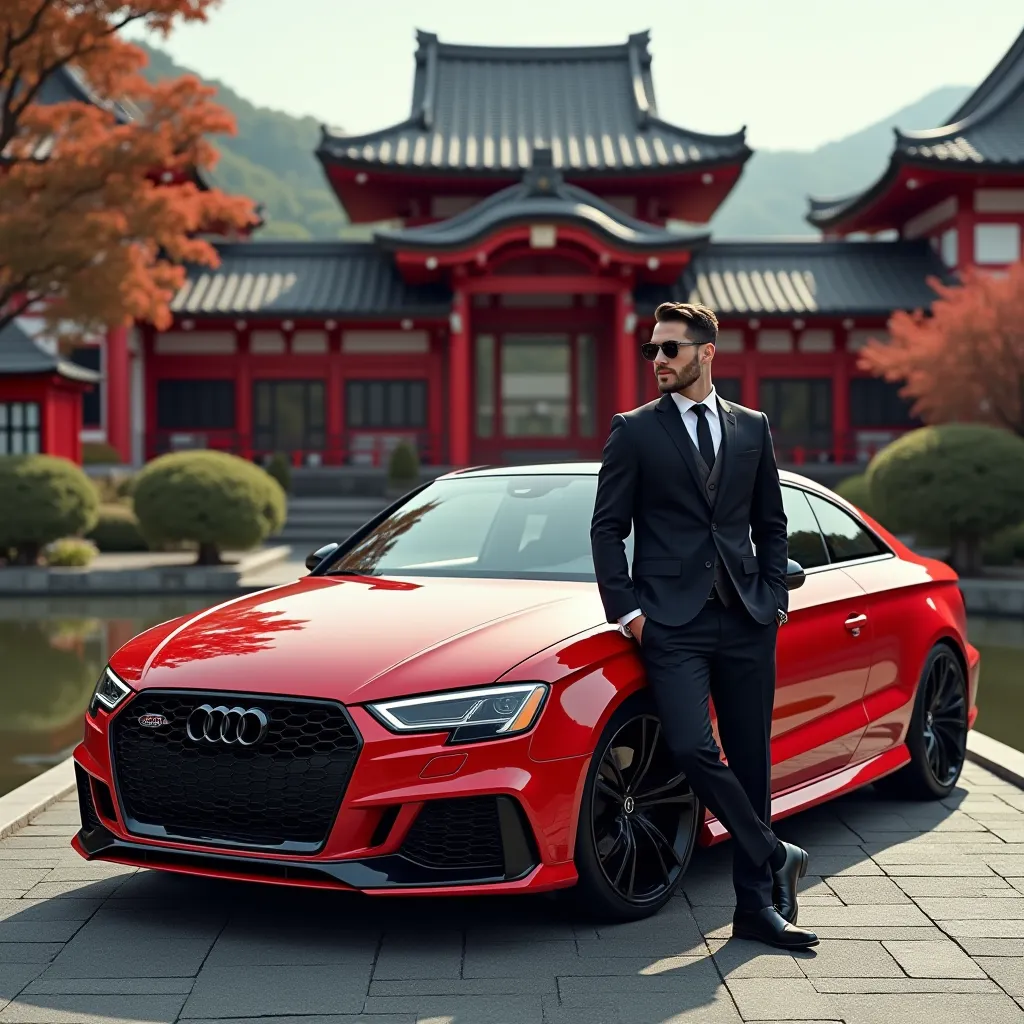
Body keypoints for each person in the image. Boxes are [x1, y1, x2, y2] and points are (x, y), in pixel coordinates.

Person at [590, 301, 818, 949]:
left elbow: (771, 524)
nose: (656, 360)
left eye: (669, 349)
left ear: (705, 353)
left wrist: (774, 597)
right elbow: (608, 529)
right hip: (671, 624)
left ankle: (756, 911)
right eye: (651, 351)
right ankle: (776, 854)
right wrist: (628, 612)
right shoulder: (633, 431)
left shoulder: (752, 428)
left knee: (752, 762)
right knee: (692, 748)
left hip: (747, 619)